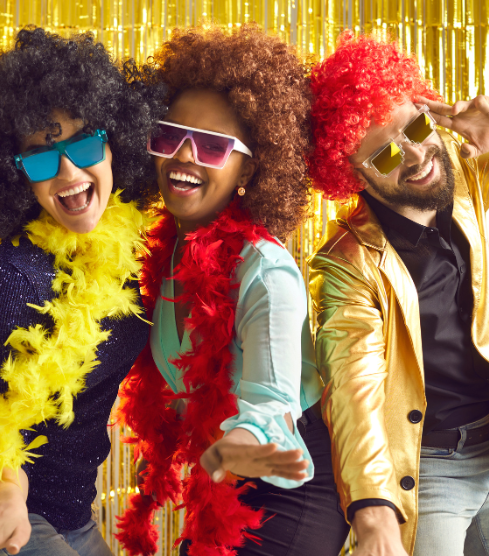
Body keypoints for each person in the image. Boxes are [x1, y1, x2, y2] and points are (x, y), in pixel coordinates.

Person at [0, 27, 165, 556]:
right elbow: (5, 427)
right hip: (16, 516)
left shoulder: (137, 248)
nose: (68, 172)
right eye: (41, 157)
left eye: (84, 142)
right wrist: (6, 501)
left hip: (76, 511)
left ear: (115, 140)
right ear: (16, 174)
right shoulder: (16, 273)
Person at [307, 31, 489, 556]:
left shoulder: (464, 179)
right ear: (352, 175)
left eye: (416, 127)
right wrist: (373, 512)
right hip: (430, 472)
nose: (416, 155)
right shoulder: (345, 265)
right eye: (385, 155)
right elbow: (353, 391)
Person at [116, 25, 350, 556]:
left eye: (214, 147)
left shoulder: (266, 272)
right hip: (223, 480)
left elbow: (271, 404)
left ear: (251, 166)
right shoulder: (165, 246)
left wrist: (234, 446)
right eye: (169, 136)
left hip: (287, 489)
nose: (184, 157)